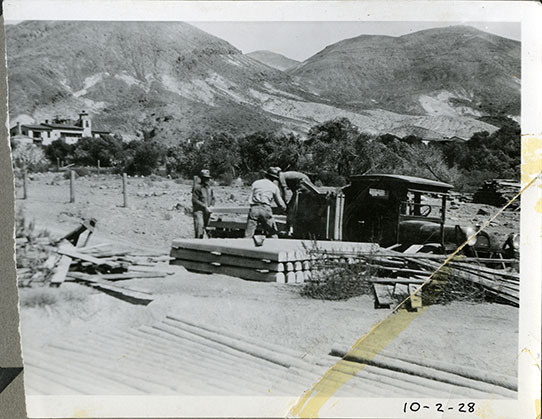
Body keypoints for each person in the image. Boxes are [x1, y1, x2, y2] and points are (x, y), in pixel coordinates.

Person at [245, 167, 287, 238]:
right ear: (274, 179)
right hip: (265, 208)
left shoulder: (256, 183)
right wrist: (285, 208)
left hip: (254, 208)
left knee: (248, 233)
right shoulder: (274, 187)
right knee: (272, 233)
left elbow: (250, 197)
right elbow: (280, 203)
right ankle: (275, 246)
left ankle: (244, 245)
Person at [275, 168, 321, 234]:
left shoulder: (281, 176)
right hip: (302, 185)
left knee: (293, 208)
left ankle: (291, 229)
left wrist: (285, 203)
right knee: (295, 207)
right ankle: (292, 228)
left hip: (303, 184)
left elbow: (284, 190)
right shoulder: (284, 175)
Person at [192, 169, 215, 238]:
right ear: (201, 178)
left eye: (208, 178)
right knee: (199, 230)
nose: (207, 180)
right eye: (205, 178)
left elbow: (213, 198)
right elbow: (194, 200)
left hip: (207, 212)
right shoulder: (197, 188)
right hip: (199, 212)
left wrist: (212, 206)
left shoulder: (210, 188)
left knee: (208, 229)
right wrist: (204, 206)